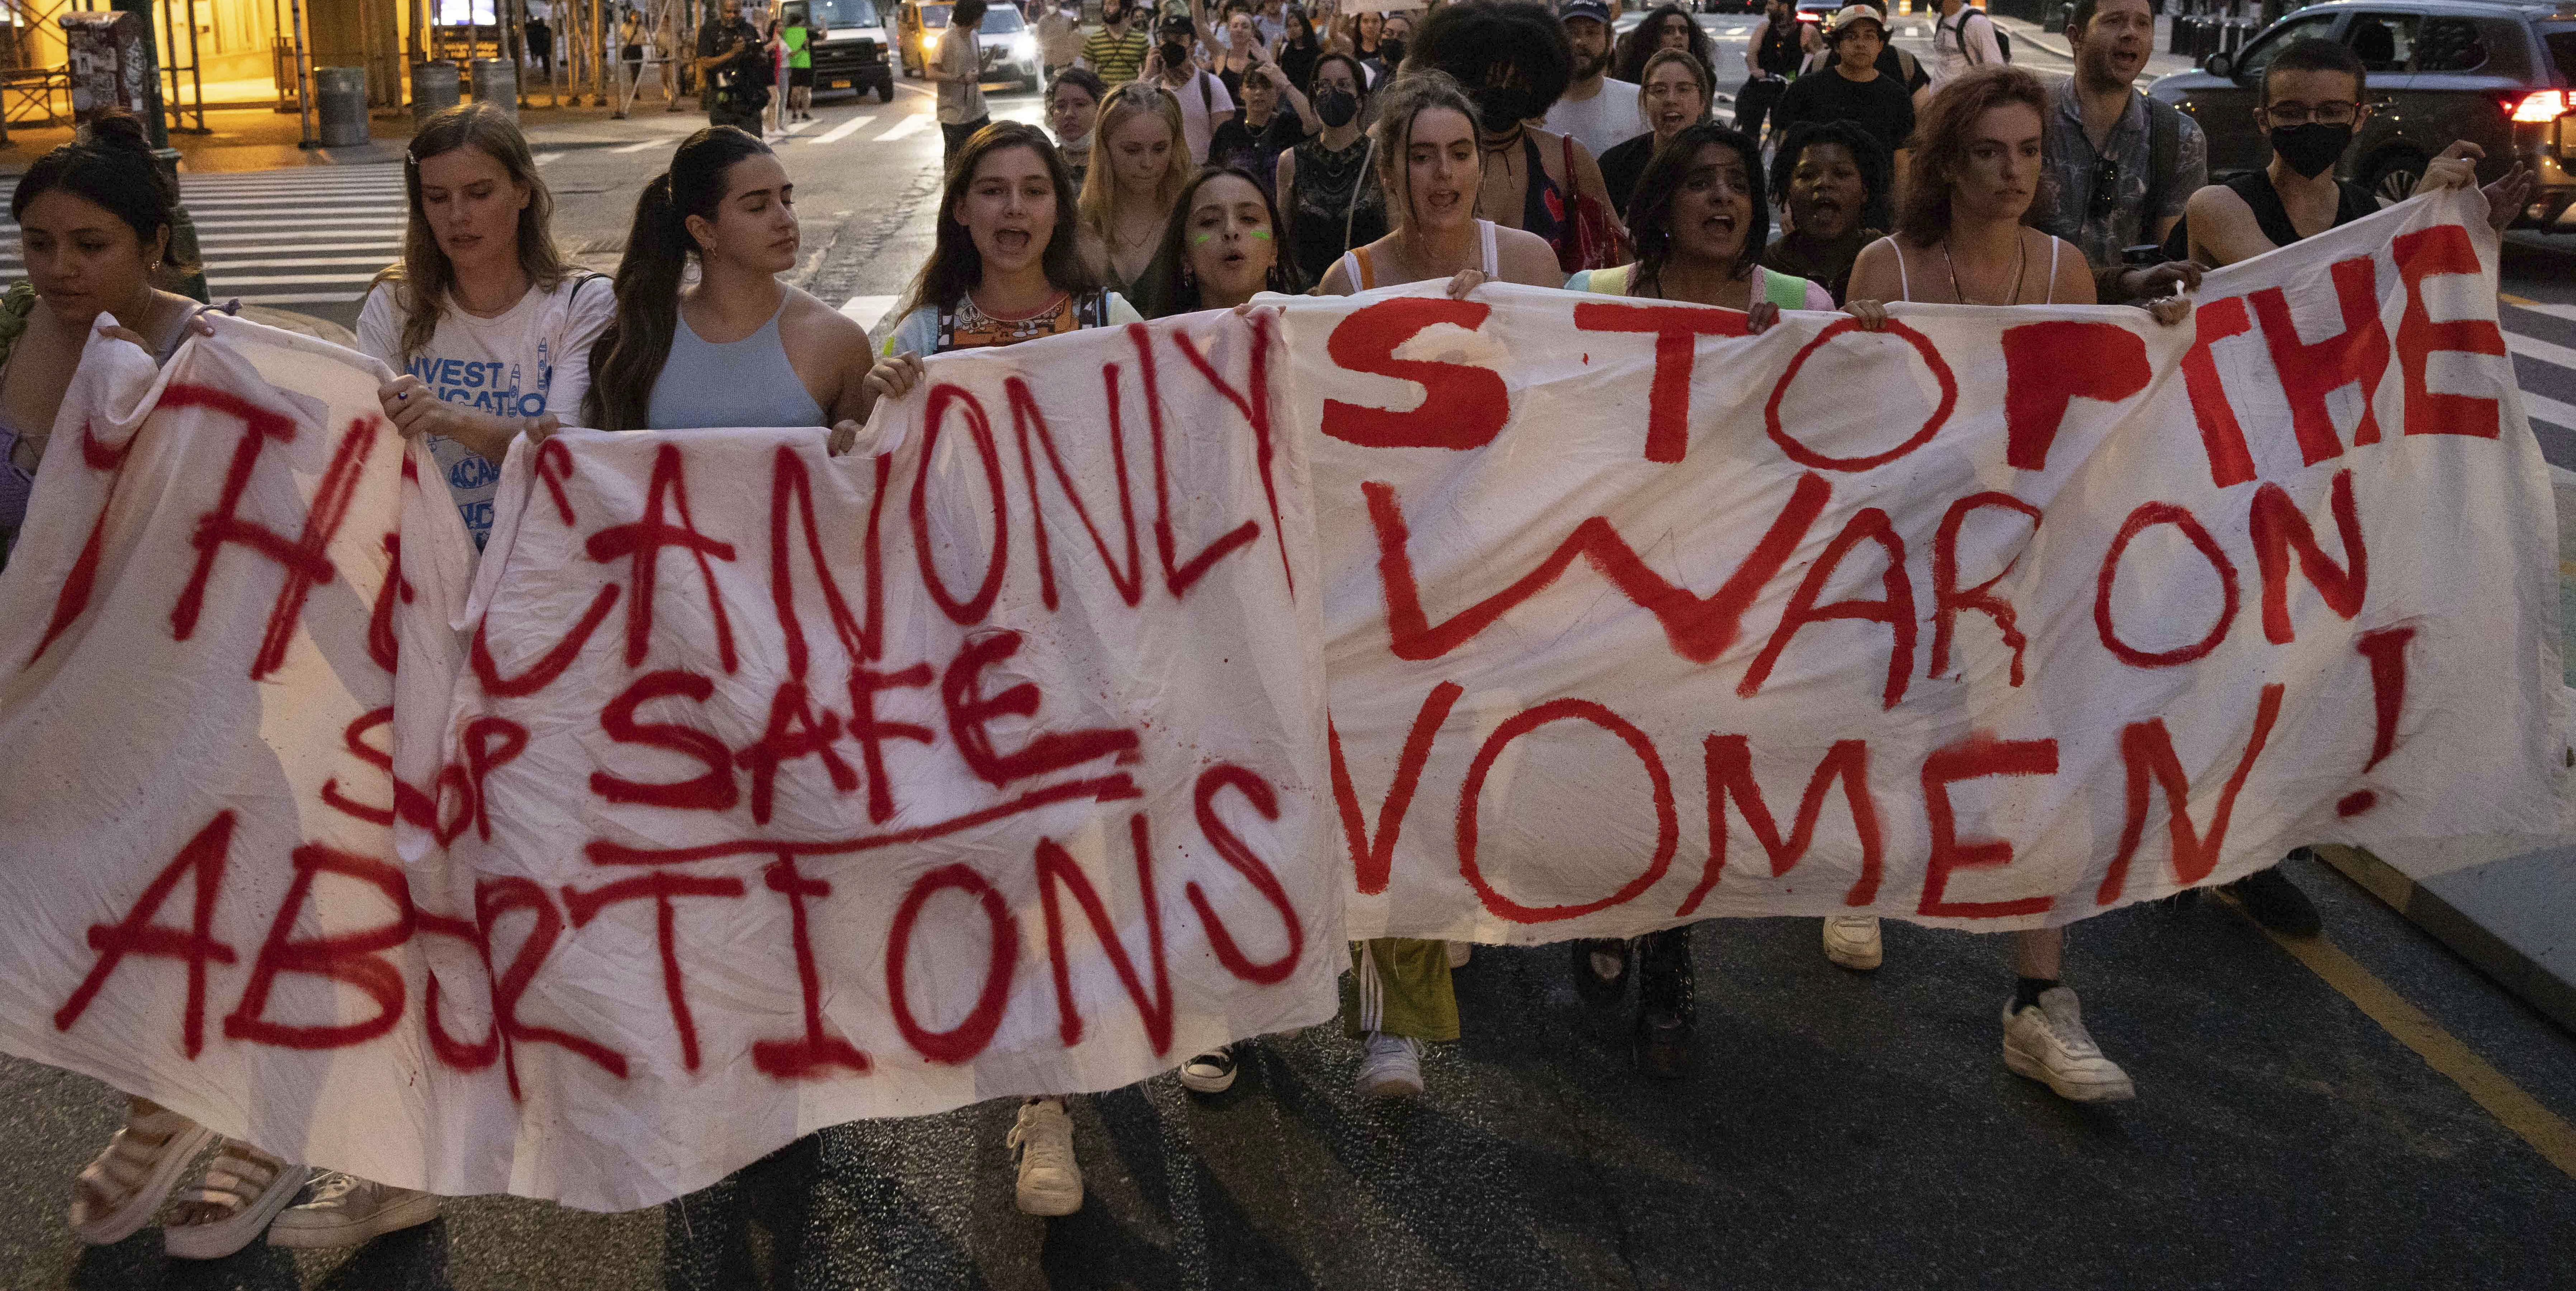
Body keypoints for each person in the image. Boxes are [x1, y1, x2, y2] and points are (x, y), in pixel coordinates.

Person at [1842, 66, 2192, 1104]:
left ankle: (2036, 1000)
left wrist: (2158, 341)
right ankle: (1852, 877)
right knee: (1882, 723)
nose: (2010, 172)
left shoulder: (2061, 271)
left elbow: (2082, 418)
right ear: (1946, 162)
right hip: (1898, 554)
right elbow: (1846, 431)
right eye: (1988, 151)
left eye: (2028, 152)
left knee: (2049, 757)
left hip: (2025, 560)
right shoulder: (1886, 263)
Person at [20, 117, 316, 1262]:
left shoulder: (224, 355)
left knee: (245, 901)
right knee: (108, 907)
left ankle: (268, 1122)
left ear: (157, 243)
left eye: (88, 242)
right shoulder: (25, 331)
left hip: (204, 689)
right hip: (64, 691)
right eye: (38, 242)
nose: (59, 267)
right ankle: (163, 1097)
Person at [869, 123, 1142, 1209]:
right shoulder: (922, 332)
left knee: (1071, 867)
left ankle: (1052, 1096)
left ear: (1059, 208)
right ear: (963, 210)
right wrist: (876, 406)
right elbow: (864, 486)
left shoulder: (1112, 322)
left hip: (1083, 645)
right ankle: (1039, 1097)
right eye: (994, 190)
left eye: (1035, 188)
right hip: (965, 653)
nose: (1015, 208)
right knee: (1000, 867)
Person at [1316, 71, 1561, 1097]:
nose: (1442, 174)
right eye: (1420, 155)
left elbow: (1581, 395)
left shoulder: (1530, 263)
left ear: (1482, 163)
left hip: (1501, 557)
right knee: (1384, 774)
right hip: (1385, 572)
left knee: (1474, 763)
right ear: (1391, 169)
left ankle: (1446, 906)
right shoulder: (1348, 278)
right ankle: (1388, 1024)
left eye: (1458, 153)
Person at [1566, 124, 1828, 1076]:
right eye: (1699, 184)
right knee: (1613, 753)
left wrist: (1837, 349)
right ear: (1661, 204)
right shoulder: (1592, 301)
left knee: (1693, 770)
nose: (1722, 201)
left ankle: (1668, 946)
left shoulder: (1801, 304)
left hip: (1733, 588)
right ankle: (1603, 901)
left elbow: (1837, 429)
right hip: (1615, 579)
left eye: (1737, 185)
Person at [362, 104, 614, 555]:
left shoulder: (581, 302)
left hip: (545, 566)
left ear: (522, 191)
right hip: (429, 568)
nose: (458, 216)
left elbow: (560, 455)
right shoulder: (395, 303)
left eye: (479, 193)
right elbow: (369, 450)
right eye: (437, 198)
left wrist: (450, 419)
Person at [584, 127, 874, 438]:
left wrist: (860, 437)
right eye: (757, 207)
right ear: (703, 230)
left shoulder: (839, 341)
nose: (785, 220)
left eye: (787, 200)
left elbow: (862, 475)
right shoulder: (642, 334)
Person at [2180, 37, 2529, 270]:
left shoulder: (2375, 213)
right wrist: (2412, 217)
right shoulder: (2218, 206)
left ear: (2359, 118)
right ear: (2263, 120)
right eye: (2291, 112)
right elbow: (2296, 291)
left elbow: (2449, 315)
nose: (2311, 124)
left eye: (2331, 112)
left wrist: (2486, 232)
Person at [1407, 0, 1625, 273]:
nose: (1502, 91)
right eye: (1490, 80)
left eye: (1516, 81)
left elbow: (1622, 255)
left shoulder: (1568, 158)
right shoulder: (1427, 161)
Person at [2036, 0, 2207, 303]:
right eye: (2114, 21)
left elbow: (2172, 261)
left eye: (2143, 24)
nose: (2131, 33)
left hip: (2127, 330)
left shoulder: (2178, 136)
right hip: (2031, 317)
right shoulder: (2033, 121)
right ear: (2076, 37)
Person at [1134, 163, 1306, 316]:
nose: (1231, 231)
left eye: (1249, 218)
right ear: (1184, 254)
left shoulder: (1316, 327)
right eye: (1210, 221)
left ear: (1274, 249)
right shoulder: (1152, 345)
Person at [1275, 51, 1385, 288]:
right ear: (1313, 97)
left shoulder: (1380, 159)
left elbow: (1397, 234)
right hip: (1307, 300)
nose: (1332, 92)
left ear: (1360, 99)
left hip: (1367, 295)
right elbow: (1279, 242)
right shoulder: (1291, 161)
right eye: (1323, 86)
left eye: (1343, 85)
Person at [1773, 5, 1911, 189]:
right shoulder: (1806, 89)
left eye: (1869, 36)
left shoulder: (1897, 96)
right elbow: (1786, 148)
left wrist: (1901, 209)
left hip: (1877, 205)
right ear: (1837, 46)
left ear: (1880, 46)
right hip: (1818, 197)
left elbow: (1901, 162)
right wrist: (1787, 207)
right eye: (1851, 36)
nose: (1860, 44)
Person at [1079, 80, 1196, 295]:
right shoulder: (1080, 222)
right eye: (1132, 150)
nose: (1148, 163)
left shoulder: (1193, 216)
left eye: (1160, 149)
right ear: (1106, 149)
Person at [1763, 119, 1887, 303]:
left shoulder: (1891, 261)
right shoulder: (1764, 269)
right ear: (1788, 191)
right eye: (1806, 175)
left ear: (1865, 190)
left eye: (1841, 174)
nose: (1824, 183)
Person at [1595, 48, 1708, 220]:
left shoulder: (1721, 162)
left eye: (1683, 89)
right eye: (1660, 90)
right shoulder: (1616, 165)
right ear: (1644, 101)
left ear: (1702, 103)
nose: (1671, 99)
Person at [1544, 0, 1644, 165]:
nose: (1580, 42)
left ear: (1610, 39)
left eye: (1591, 33)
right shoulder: (1534, 107)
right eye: (1570, 33)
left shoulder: (1638, 102)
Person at [1208, 57, 1315, 192]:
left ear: (1277, 93)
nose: (1258, 93)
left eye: (1266, 87)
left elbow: (1313, 124)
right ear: (1241, 92)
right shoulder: (1227, 131)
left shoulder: (1289, 126)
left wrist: (1285, 84)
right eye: (1252, 87)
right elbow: (1213, 176)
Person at [1148, 11, 1235, 163]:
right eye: (1165, 39)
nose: (1171, 45)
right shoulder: (1152, 87)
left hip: (1199, 174)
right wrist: (1147, 75)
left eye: (1179, 39)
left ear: (1193, 46)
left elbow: (1225, 144)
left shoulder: (1211, 85)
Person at [1735, 0, 1813, 144]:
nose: (1767, 8)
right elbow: (1752, 54)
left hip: (1786, 87)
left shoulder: (1806, 31)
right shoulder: (1765, 28)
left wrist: (1806, 79)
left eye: (1771, 4)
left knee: (1784, 134)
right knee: (1750, 131)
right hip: (1761, 83)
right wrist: (1756, 70)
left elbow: (1821, 57)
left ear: (1784, 6)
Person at [930, 0, 994, 164]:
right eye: (981, 17)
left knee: (987, 154)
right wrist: (958, 79)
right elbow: (931, 72)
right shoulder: (945, 39)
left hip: (977, 109)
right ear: (972, 17)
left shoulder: (974, 36)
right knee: (956, 162)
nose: (983, 21)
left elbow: (979, 68)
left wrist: (992, 54)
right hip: (954, 114)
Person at [695, 0, 770, 132]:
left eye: (737, 12)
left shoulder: (749, 30)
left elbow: (762, 61)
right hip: (722, 100)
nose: (733, 16)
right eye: (728, 12)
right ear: (721, 11)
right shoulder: (710, 31)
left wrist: (752, 50)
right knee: (726, 144)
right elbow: (705, 62)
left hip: (748, 98)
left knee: (753, 144)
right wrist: (732, 53)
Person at [1612, 3, 1714, 93]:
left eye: (1683, 31)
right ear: (1654, 40)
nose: (1678, 36)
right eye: (1668, 32)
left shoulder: (1704, 76)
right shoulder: (1635, 76)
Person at [1049, 66, 1110, 189]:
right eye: (1061, 106)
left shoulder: (1113, 163)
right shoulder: (1046, 163)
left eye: (1080, 105)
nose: (1069, 114)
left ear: (1100, 109)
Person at [1928, 0, 2002, 86]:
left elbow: (1996, 70)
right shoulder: (1943, 21)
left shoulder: (1976, 22)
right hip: (1939, 97)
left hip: (1964, 97)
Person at [1078, 0, 1152, 86]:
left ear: (1125, 10)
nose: (1106, 8)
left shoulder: (1141, 39)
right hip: (1105, 97)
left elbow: (1147, 75)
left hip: (1131, 96)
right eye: (1105, 4)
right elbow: (1088, 78)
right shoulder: (1094, 40)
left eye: (1112, 4)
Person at [777, 5, 815, 122]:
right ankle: (805, 112)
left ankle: (794, 113)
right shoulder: (806, 32)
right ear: (800, 22)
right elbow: (824, 36)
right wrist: (824, 23)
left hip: (790, 65)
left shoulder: (785, 33)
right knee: (806, 91)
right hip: (806, 64)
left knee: (795, 91)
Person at [1276, 6, 1322, 95]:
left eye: (1296, 25)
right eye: (1289, 26)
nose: (1292, 29)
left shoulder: (1315, 51)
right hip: (1288, 95)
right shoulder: (1287, 51)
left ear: (1304, 27)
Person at [1037, 0, 1085, 80]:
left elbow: (1074, 39)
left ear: (1058, 4)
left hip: (1065, 62)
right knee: (1051, 86)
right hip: (1050, 62)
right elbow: (1039, 40)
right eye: (1049, 4)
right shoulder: (1042, 22)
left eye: (1052, 4)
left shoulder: (1067, 20)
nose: (1050, 7)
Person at [1342, 8, 1391, 79]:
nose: (1370, 26)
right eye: (1365, 21)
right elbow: (1335, 34)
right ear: (1359, 24)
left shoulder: (1388, 47)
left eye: (1375, 22)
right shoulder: (1351, 46)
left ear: (1382, 24)